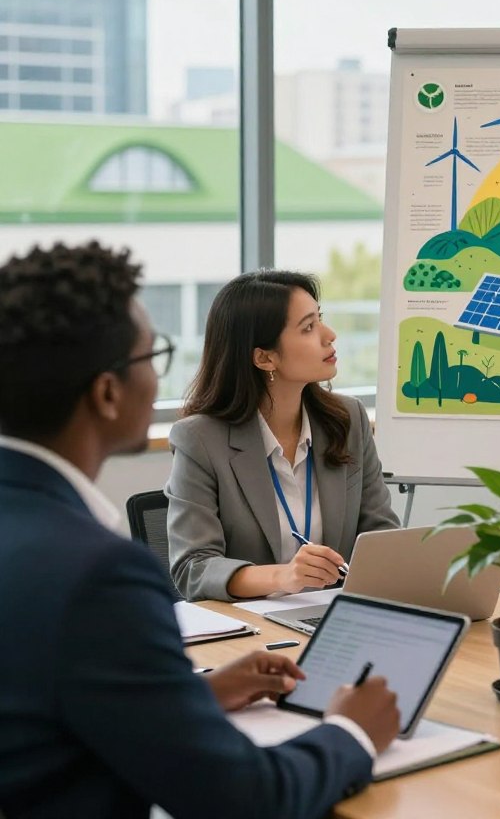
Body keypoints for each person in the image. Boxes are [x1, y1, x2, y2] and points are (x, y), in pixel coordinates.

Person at [0, 242, 400, 819]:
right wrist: (353, 733)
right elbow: (247, 798)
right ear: (108, 393)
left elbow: (53, 704)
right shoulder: (100, 574)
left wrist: (195, 694)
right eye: (152, 356)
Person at [166, 269, 400, 601]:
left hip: (336, 616)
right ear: (264, 358)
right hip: (253, 631)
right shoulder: (200, 440)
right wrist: (283, 576)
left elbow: (382, 535)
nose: (329, 335)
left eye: (320, 320)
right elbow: (194, 568)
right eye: (308, 328)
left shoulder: (348, 420)